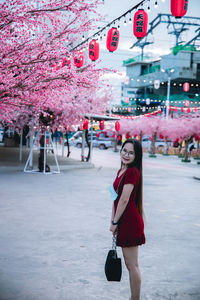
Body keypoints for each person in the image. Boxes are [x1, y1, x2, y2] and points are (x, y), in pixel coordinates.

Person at [110, 139, 145, 300]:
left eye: (131, 153)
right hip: (122, 221)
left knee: (133, 265)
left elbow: (124, 199)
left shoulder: (132, 172)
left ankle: (135, 298)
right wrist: (113, 221)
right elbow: (115, 198)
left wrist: (115, 222)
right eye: (125, 150)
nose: (126, 154)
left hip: (130, 222)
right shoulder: (121, 171)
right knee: (129, 264)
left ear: (136, 156)